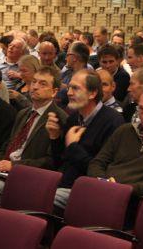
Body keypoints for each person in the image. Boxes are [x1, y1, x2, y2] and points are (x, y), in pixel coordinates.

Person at [0, 66, 68, 203]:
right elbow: (8, 144)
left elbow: (50, 161)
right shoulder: (23, 113)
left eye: (42, 84)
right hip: (4, 169)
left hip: (28, 174)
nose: (35, 87)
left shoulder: (59, 119)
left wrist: (14, 165)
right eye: (34, 82)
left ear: (54, 92)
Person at [48, 70, 124, 208]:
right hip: (62, 183)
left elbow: (99, 172)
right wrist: (55, 137)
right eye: (69, 87)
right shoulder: (73, 118)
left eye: (75, 88)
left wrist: (73, 147)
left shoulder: (113, 122)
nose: (69, 93)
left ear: (92, 93)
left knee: (39, 197)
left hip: (87, 190)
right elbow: (59, 162)